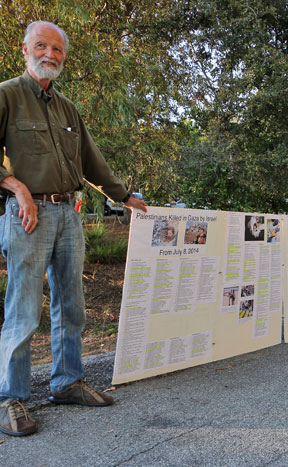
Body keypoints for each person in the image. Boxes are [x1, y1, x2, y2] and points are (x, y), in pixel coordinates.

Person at [0, 21, 148, 437]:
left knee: (72, 305)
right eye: (42, 46)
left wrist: (125, 196)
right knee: (24, 310)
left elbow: (91, 161)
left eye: (58, 50)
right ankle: (11, 398)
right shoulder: (6, 95)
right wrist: (16, 188)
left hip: (68, 215)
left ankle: (66, 383)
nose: (50, 54)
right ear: (25, 49)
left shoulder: (67, 108)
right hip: (26, 216)